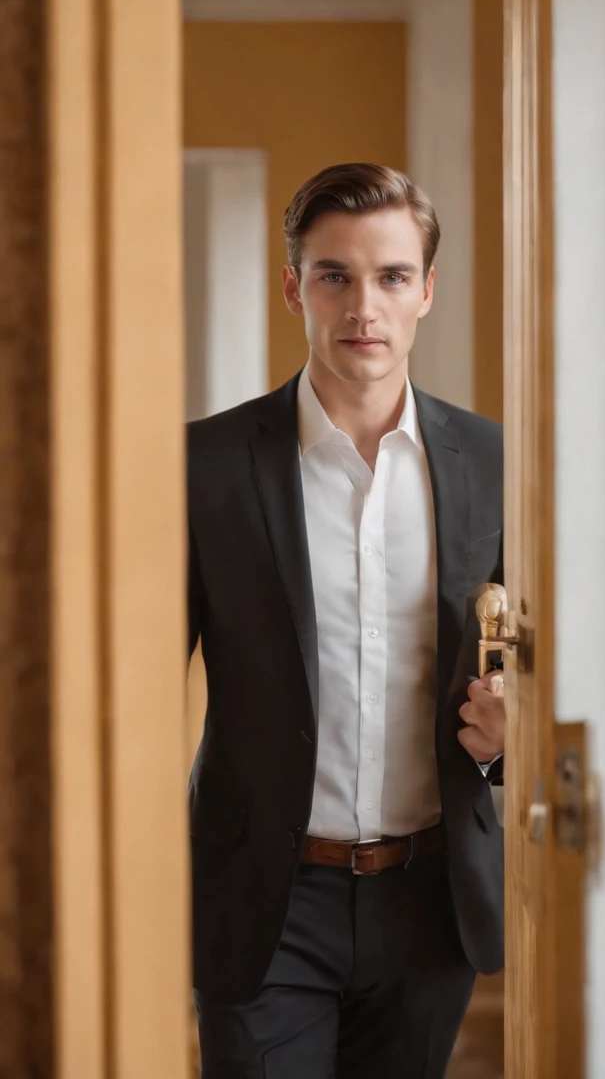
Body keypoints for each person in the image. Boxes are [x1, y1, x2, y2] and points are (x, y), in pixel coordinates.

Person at [187, 162, 506, 1079]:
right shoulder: (205, 465)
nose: (363, 305)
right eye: (334, 275)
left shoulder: (493, 460)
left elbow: (539, 670)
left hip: (431, 901)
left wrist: (507, 742)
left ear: (426, 291)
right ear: (295, 288)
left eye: (392, 277)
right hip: (264, 904)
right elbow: (135, 683)